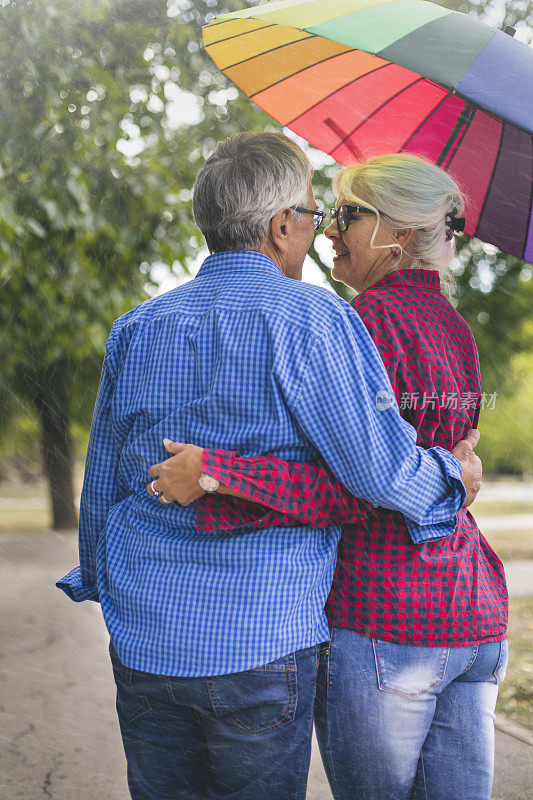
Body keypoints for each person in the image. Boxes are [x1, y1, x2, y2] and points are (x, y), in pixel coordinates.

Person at [56, 134, 481, 800]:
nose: (320, 231)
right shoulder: (315, 318)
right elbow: (378, 472)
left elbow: (103, 482)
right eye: (316, 214)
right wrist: (451, 481)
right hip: (260, 635)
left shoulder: (136, 326)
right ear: (282, 225)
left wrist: (99, 580)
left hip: (144, 635)